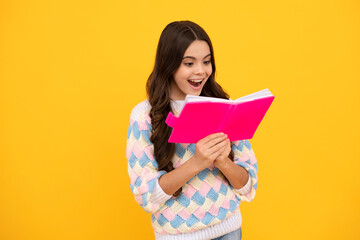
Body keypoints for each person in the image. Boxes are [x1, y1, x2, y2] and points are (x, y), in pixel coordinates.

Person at [126, 20, 258, 240]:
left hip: (230, 231)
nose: (200, 71)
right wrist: (197, 162)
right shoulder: (143, 117)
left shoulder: (224, 107)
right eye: (189, 63)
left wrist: (223, 161)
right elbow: (146, 195)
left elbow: (247, 186)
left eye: (206, 62)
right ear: (169, 65)